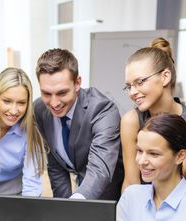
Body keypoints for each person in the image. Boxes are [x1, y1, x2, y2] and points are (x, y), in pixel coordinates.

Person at [34, 48, 124, 200]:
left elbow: (99, 168)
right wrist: (64, 209)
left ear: (77, 83)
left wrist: (77, 203)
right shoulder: (39, 109)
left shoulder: (103, 109)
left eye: (62, 93)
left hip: (106, 194)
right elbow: (56, 165)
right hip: (76, 193)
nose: (54, 103)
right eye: (47, 93)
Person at [121, 37, 186, 192]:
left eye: (140, 82)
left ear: (165, 77)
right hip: (138, 204)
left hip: (175, 204)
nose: (132, 92)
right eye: (129, 86)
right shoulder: (131, 121)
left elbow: (173, 182)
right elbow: (131, 183)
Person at [0, 67, 45, 196]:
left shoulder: (31, 132)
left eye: (21, 103)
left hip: (16, 199)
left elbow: (32, 185)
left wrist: (27, 212)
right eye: (7, 101)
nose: (13, 110)